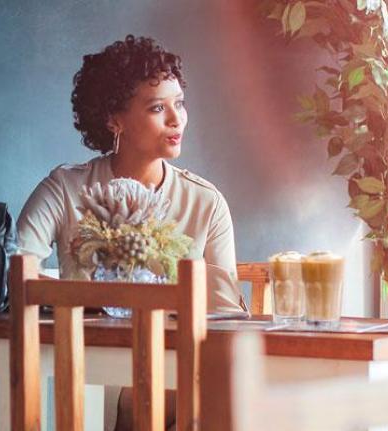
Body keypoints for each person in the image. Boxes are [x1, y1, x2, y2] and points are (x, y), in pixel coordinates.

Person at [16, 34, 247, 431]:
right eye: (158, 107)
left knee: (228, 393)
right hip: (89, 372)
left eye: (180, 103)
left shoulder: (206, 202)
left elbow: (226, 312)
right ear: (114, 119)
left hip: (179, 366)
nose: (177, 120)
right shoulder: (66, 188)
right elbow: (16, 266)